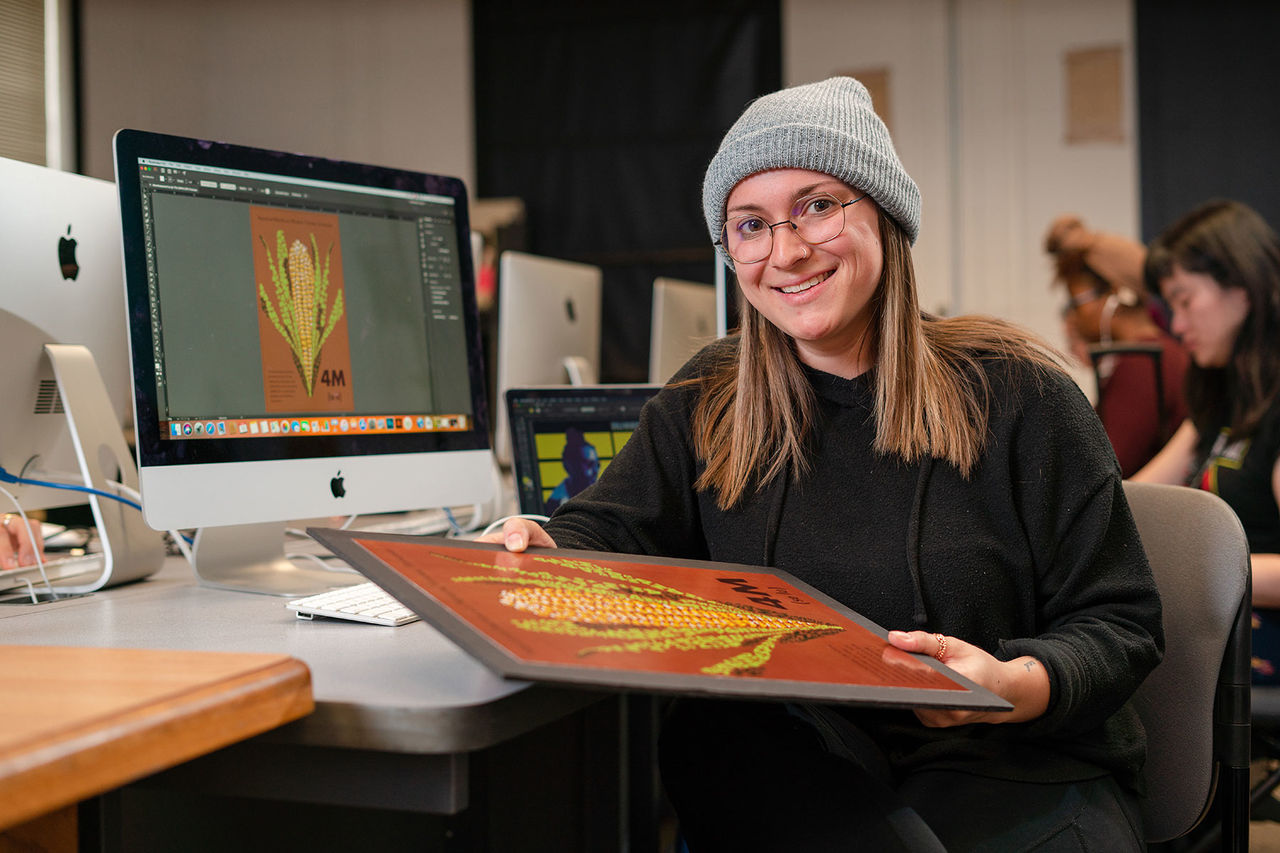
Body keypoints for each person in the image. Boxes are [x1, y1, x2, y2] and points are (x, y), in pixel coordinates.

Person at [482, 77, 1163, 851]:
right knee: (716, 726)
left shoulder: (1018, 393)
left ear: (885, 214)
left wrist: (1011, 684)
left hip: (1018, 764)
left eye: (817, 205)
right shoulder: (710, 395)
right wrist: (545, 549)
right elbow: (609, 530)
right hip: (806, 774)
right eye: (750, 224)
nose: (787, 250)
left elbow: (1120, 623)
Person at [1132, 199, 1280, 684]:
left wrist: (1197, 575)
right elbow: (1131, 506)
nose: (1176, 327)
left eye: (1185, 300)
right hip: (1223, 627)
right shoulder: (1220, 401)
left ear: (1243, 290)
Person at [1044, 215, 1190, 476]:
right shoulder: (1153, 355)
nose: (1074, 316)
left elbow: (1101, 471)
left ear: (1116, 296)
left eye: (1077, 303)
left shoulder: (1141, 364)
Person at [543, 427, 600, 513]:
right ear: (569, 466)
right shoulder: (554, 503)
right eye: (588, 464)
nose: (595, 470)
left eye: (597, 465)